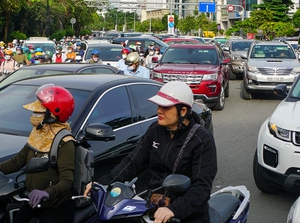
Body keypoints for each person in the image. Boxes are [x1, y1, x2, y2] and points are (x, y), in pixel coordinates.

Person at [87, 81, 217, 223]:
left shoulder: (201, 140)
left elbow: (202, 187)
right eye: (159, 106)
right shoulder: (155, 130)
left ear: (183, 111)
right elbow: (132, 163)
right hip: (154, 209)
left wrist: (174, 209)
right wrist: (102, 183)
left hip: (187, 215)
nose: (159, 111)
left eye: (165, 107)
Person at [0, 84, 76, 223]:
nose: (34, 115)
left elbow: (67, 180)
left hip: (55, 206)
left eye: (39, 112)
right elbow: (17, 161)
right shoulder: (38, 133)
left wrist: (47, 192)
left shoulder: (65, 141)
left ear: (52, 114)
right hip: (32, 200)